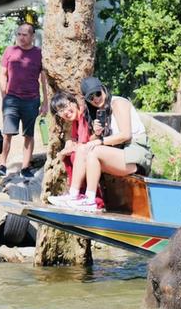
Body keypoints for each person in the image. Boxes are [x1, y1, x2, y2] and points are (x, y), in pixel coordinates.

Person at [48, 77, 152, 212]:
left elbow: (126, 135)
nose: (96, 99)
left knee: (93, 150)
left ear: (104, 89)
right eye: (91, 97)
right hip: (121, 155)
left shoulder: (118, 103)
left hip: (136, 155)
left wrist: (100, 141)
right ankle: (74, 195)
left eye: (97, 93)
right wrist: (97, 134)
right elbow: (93, 142)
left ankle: (90, 200)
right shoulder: (101, 111)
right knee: (83, 150)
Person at [0, 22, 48, 178]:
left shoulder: (39, 53)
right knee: (7, 133)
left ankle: (25, 167)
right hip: (11, 99)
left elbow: (44, 80)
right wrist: (4, 97)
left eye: (25, 34)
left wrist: (45, 102)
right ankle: (2, 164)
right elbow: (2, 74)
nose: (21, 37)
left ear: (33, 36)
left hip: (31, 100)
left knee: (29, 135)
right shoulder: (9, 51)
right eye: (19, 34)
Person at [46, 91, 104, 209]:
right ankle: (76, 194)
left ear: (73, 102)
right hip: (89, 150)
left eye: (66, 106)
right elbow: (73, 139)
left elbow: (83, 144)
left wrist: (67, 150)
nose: (65, 112)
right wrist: (68, 147)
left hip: (100, 150)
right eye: (60, 111)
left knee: (75, 154)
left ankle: (78, 195)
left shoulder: (85, 115)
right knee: (70, 155)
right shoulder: (75, 121)